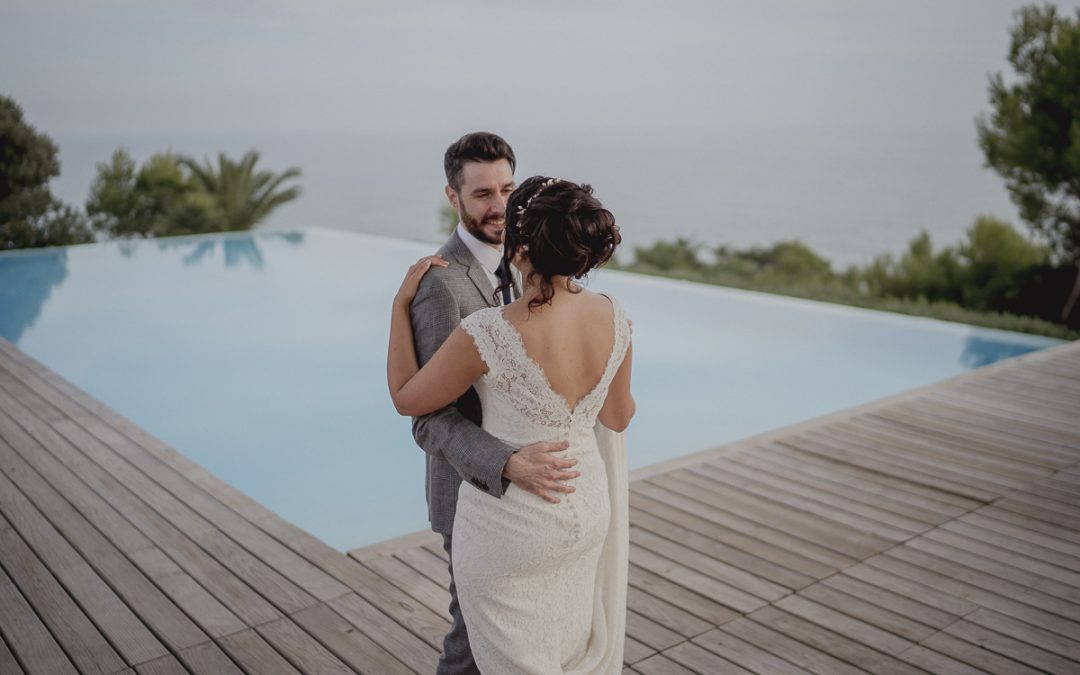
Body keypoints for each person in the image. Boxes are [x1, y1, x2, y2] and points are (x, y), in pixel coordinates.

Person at [388, 174, 634, 674]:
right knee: (566, 654)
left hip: (511, 531)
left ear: (520, 248)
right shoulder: (613, 314)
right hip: (586, 511)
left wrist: (399, 306)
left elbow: (407, 399)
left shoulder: (488, 331)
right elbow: (617, 415)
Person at [409, 133, 587, 674]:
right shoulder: (442, 285)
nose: (500, 206)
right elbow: (428, 417)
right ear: (452, 197)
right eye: (482, 193)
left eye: (508, 188)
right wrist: (506, 463)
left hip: (540, 502)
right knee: (470, 645)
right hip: (473, 496)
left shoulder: (539, 261)